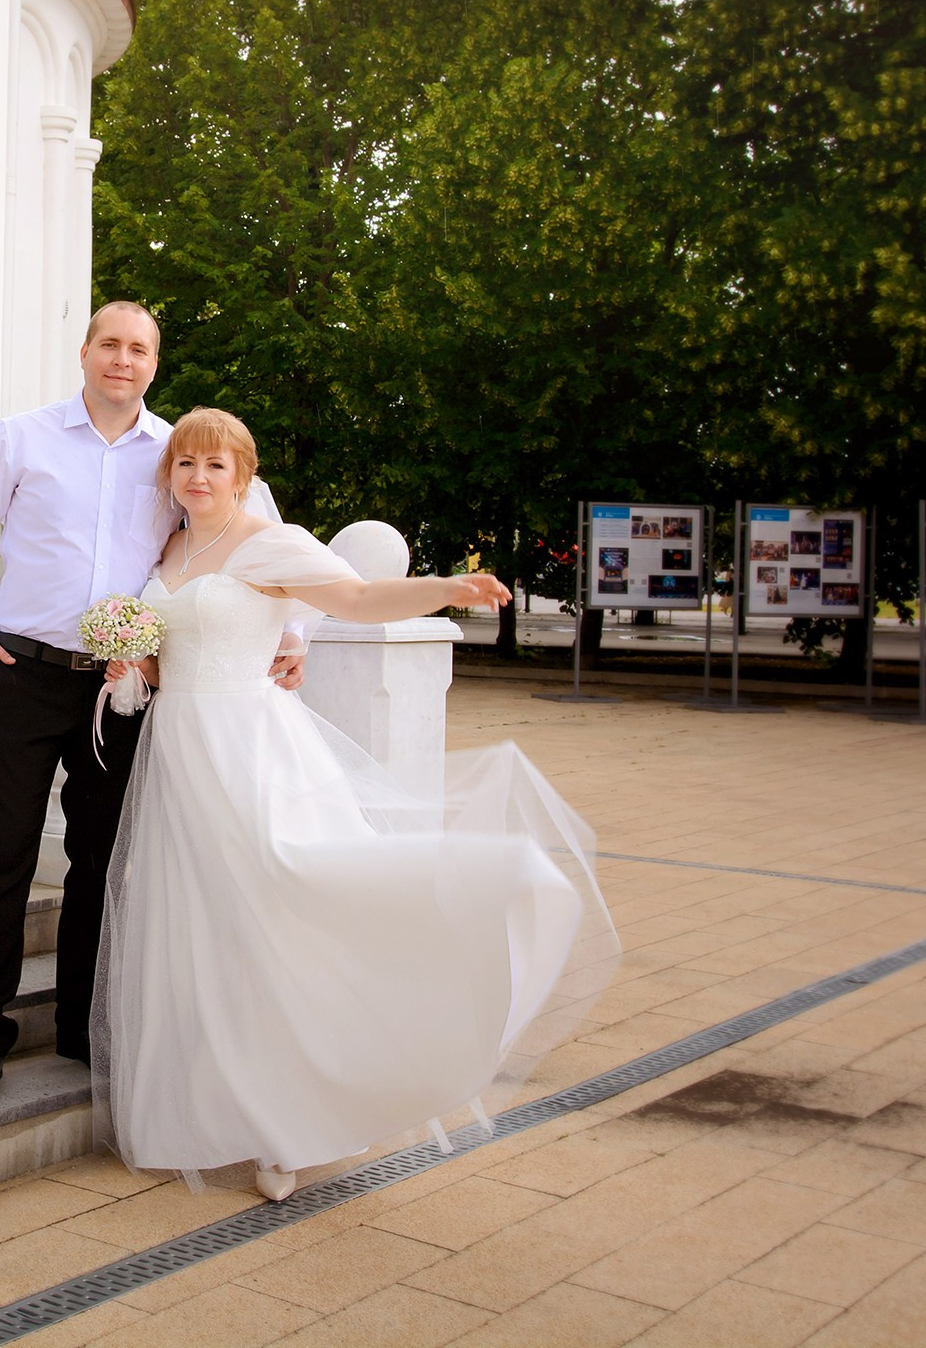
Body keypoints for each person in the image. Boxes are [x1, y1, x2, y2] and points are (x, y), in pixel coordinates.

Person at [93, 408, 620, 1202]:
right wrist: (133, 667)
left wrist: (446, 587)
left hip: (250, 749)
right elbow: (176, 659)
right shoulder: (167, 549)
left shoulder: (270, 543)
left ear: (243, 475)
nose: (198, 479)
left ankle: (289, 1127)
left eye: (216, 466)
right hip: (178, 752)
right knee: (200, 926)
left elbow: (359, 597)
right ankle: (216, 1108)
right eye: (185, 465)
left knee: (282, 907)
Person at [0, 302, 304, 1106]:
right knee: (2, 855)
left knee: (103, 860)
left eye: (139, 349)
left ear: (153, 364)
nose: (122, 359)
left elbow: (259, 529)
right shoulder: (22, 438)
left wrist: (292, 632)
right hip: (20, 675)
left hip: (122, 687)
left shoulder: (175, 454)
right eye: (111, 344)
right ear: (86, 352)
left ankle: (83, 1025)